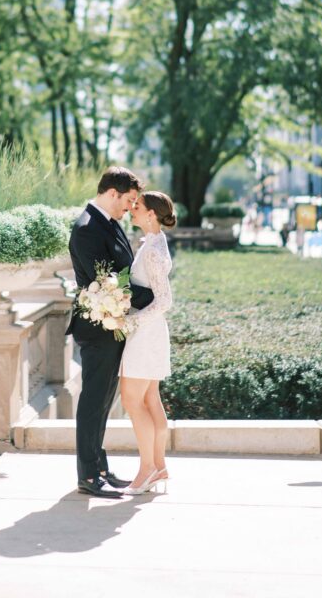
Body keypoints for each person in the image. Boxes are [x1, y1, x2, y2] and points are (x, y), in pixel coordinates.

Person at [66, 166, 153, 499]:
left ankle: (99, 467)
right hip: (97, 328)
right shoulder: (87, 228)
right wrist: (153, 299)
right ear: (112, 193)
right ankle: (87, 474)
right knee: (93, 401)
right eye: (128, 201)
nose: (130, 208)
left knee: (103, 401)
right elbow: (108, 283)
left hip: (112, 326)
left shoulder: (109, 223)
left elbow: (123, 273)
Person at [119, 191, 175, 496]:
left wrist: (132, 322)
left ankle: (146, 469)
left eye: (137, 207)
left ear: (151, 214)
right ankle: (159, 465)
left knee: (131, 400)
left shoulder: (153, 250)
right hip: (150, 331)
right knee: (150, 399)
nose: (132, 210)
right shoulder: (153, 243)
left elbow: (165, 300)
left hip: (146, 332)